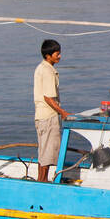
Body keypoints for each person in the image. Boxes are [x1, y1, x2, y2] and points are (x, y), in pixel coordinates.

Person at [34, 39, 73, 182]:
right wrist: (63, 112)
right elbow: (48, 98)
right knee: (47, 154)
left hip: (42, 117)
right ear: (48, 56)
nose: (60, 56)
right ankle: (42, 182)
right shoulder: (48, 71)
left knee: (43, 152)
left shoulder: (42, 68)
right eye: (57, 54)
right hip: (48, 117)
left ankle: (41, 180)